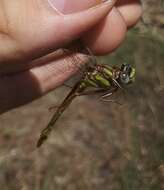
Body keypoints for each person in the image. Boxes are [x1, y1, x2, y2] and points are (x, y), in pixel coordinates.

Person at [0, 0, 142, 113]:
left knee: (83, 87)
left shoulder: (112, 85)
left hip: (87, 81)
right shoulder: (112, 79)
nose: (121, 71)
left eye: (123, 75)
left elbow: (101, 93)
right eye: (124, 70)